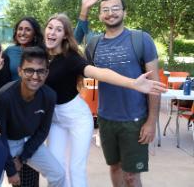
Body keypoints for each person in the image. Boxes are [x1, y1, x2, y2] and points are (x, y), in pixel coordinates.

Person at [43, 13, 165, 187]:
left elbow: (100, 73)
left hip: (77, 118)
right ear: (45, 30)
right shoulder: (40, 55)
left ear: (65, 35)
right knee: (55, 169)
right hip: (54, 119)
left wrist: (133, 83)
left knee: (75, 168)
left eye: (59, 29)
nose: (53, 32)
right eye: (50, 27)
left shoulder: (71, 58)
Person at [85, 0, 162, 187]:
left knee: (131, 176)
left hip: (134, 121)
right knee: (115, 168)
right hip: (106, 119)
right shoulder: (93, 44)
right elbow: (75, 55)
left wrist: (151, 121)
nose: (111, 13)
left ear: (124, 12)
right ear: (100, 16)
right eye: (105, 10)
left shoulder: (141, 39)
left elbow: (155, 84)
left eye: (115, 8)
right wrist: (83, 12)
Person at [0, 46, 66, 187]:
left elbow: (43, 131)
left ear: (46, 73)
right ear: (20, 71)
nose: (35, 76)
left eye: (41, 71)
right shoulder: (4, 96)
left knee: (58, 175)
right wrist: (11, 170)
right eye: (29, 70)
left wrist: (22, 159)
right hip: (3, 143)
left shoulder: (49, 96)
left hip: (27, 141)